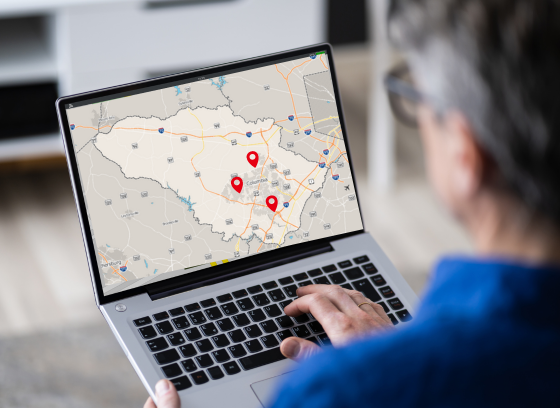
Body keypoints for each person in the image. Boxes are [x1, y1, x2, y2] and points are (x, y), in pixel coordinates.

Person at [145, 0, 560, 406]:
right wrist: (392, 355)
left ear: (467, 154)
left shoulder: (333, 390)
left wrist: (380, 369)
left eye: (418, 100)